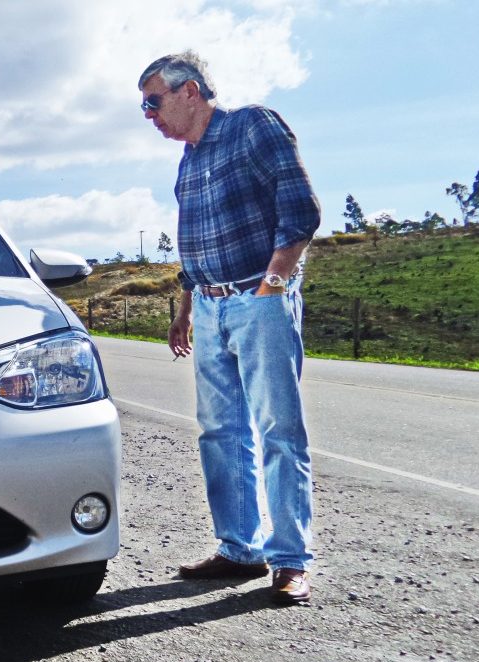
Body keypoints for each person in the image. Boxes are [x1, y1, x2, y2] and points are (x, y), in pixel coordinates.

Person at [138, 51, 320, 604]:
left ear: (189, 91)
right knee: (220, 433)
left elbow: (300, 210)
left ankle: (290, 559)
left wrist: (272, 286)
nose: (149, 115)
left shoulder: (252, 126)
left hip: (258, 302)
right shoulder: (187, 161)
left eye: (153, 102)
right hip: (210, 307)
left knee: (278, 432)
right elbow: (192, 243)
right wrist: (186, 309)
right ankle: (240, 548)